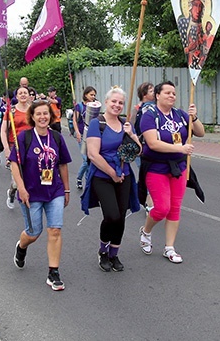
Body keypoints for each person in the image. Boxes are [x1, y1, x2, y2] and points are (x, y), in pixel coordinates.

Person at [137, 81, 205, 263]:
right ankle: (146, 231)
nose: (171, 96)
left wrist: (195, 117)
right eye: (167, 93)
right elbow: (152, 143)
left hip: (178, 168)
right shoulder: (149, 115)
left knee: (175, 208)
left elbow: (200, 133)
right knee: (161, 208)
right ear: (157, 95)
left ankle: (169, 248)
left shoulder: (180, 115)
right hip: (156, 167)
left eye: (174, 93)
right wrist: (180, 148)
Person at [10, 100, 72, 291]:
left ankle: (53, 272)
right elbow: (14, 163)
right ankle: (21, 247)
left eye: (46, 113)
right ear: (33, 117)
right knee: (34, 232)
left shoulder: (57, 137)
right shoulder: (24, 137)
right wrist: (20, 188)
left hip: (54, 191)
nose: (43, 117)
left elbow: (62, 164)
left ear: (50, 116)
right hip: (31, 193)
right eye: (39, 114)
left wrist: (67, 189)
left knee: (55, 230)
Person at [83, 87, 141, 272]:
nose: (117, 105)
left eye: (121, 103)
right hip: (103, 176)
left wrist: (131, 135)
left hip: (125, 176)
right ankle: (102, 251)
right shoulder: (96, 123)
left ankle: (114, 254)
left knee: (121, 218)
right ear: (106, 102)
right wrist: (112, 173)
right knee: (112, 216)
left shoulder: (125, 124)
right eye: (114, 101)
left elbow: (138, 150)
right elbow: (93, 154)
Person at [1, 86, 31, 209]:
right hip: (15, 147)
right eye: (20, 93)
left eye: (25, 92)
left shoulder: (33, 110)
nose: (23, 95)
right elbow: (3, 131)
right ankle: (12, 192)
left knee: (29, 176)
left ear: (29, 95)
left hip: (31, 146)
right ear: (16, 96)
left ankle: (29, 202)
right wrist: (7, 149)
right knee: (16, 181)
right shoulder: (11, 111)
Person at [131, 81, 156, 210]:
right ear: (144, 95)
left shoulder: (157, 107)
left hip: (154, 148)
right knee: (148, 175)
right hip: (142, 148)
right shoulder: (138, 110)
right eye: (151, 91)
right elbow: (132, 129)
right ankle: (148, 203)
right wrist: (137, 144)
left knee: (147, 175)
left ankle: (139, 196)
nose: (155, 93)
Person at [74, 86, 97, 189]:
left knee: (90, 159)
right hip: (82, 135)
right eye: (91, 94)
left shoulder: (95, 106)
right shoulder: (79, 106)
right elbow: (75, 120)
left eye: (94, 95)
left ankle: (88, 181)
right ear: (85, 94)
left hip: (91, 136)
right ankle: (81, 179)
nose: (93, 97)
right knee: (86, 160)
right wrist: (77, 133)